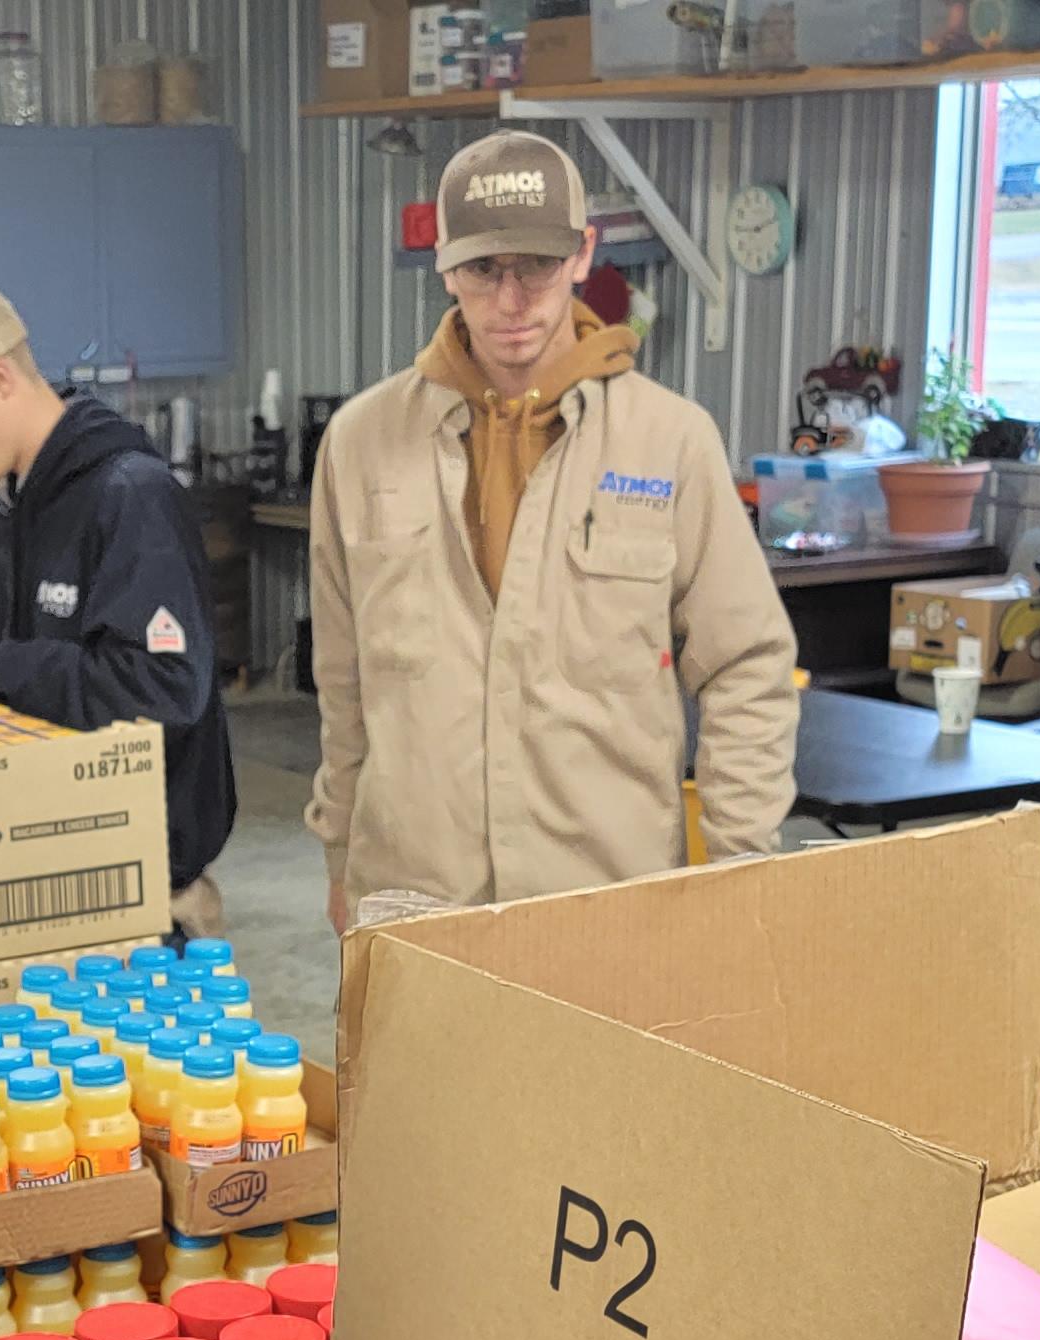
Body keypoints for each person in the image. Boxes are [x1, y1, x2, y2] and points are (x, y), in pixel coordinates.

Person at [303, 130, 797, 926]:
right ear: (443, 263)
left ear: (582, 255)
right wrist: (339, 854)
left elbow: (745, 667)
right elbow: (343, 681)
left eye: (536, 264)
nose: (511, 299)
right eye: (483, 268)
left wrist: (741, 868)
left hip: (607, 905)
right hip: (415, 899)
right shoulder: (361, 444)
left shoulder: (669, 441)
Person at [0, 281, 236, 933]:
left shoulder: (129, 496)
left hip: (139, 898)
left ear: (0, 377)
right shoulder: (11, 503)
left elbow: (162, 689)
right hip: (44, 869)